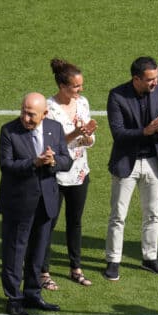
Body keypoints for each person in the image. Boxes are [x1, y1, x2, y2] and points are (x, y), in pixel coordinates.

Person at [0, 92, 72, 315]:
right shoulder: (9, 131)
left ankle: (32, 293)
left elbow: (66, 160)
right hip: (18, 203)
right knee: (15, 252)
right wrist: (34, 162)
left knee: (39, 250)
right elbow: (7, 165)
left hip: (46, 201)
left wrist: (53, 162)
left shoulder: (55, 128)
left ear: (44, 114)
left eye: (31, 114)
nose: (25, 118)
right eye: (23, 112)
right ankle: (14, 299)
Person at [104, 56, 158, 281]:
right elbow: (118, 133)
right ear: (136, 79)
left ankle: (150, 258)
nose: (155, 83)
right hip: (126, 163)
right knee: (118, 215)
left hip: (153, 162)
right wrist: (146, 131)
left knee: (152, 213)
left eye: (156, 78)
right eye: (150, 79)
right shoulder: (117, 95)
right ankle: (113, 260)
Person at [40, 58, 98, 290]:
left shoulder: (82, 102)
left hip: (80, 172)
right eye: (75, 86)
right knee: (48, 224)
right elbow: (51, 142)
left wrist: (88, 136)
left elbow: (89, 139)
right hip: (55, 174)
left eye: (80, 85)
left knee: (75, 222)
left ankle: (76, 268)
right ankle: (43, 271)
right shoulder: (48, 107)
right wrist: (76, 133)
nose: (80, 90)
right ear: (62, 86)